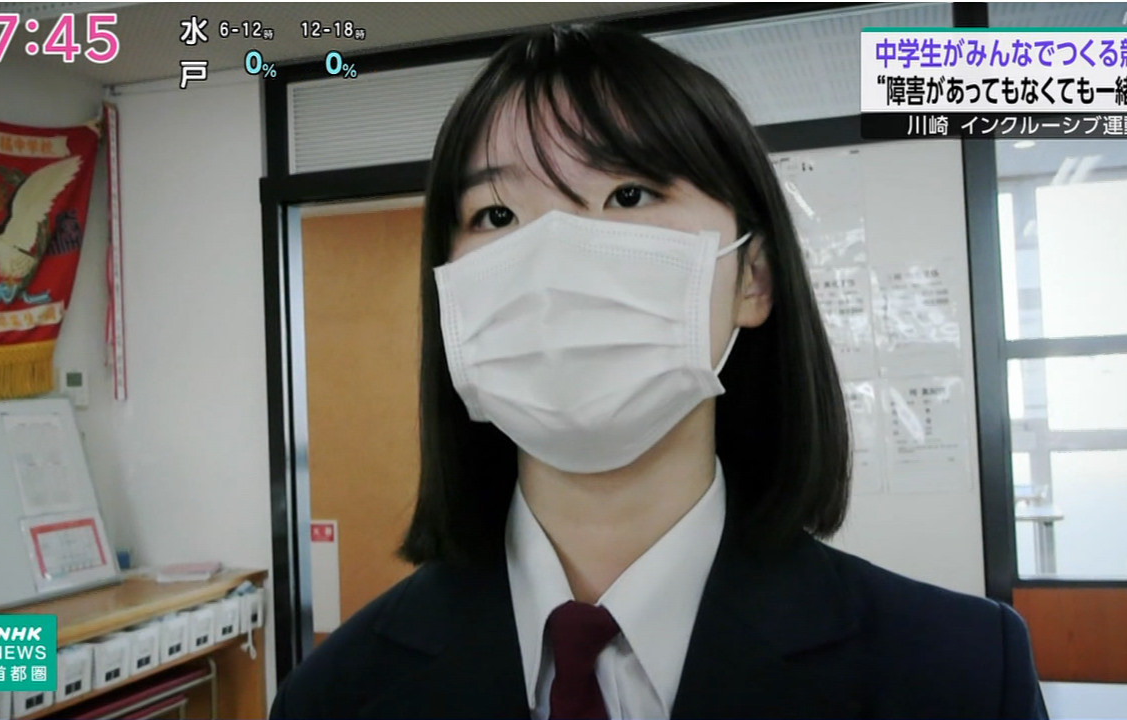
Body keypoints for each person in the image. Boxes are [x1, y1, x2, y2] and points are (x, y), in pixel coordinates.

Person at [270, 22, 1048, 720]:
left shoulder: (961, 676)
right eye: (497, 216)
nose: (555, 260)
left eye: (629, 193)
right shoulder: (331, 698)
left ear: (753, 279)